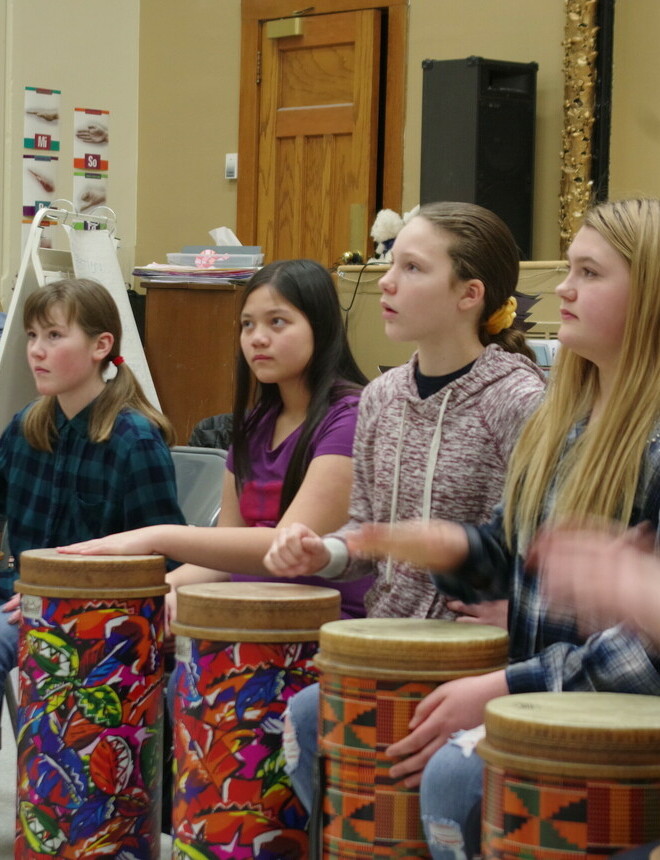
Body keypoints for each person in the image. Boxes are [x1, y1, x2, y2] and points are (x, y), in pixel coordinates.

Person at [345, 197, 660, 859]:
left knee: (456, 775)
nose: (564, 288)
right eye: (568, 268)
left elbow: (644, 659)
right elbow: (513, 552)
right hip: (545, 690)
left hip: (611, 721)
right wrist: (455, 545)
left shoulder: (646, 440)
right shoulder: (565, 421)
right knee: (326, 713)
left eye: (591, 274)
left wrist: (507, 686)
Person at [263, 201, 547, 811]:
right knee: (305, 716)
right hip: (385, 642)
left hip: (473, 659)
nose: (387, 281)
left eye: (413, 268)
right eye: (392, 262)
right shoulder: (383, 396)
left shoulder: (519, 399)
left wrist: (512, 611)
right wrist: (326, 549)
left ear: (469, 294)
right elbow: (366, 532)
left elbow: (526, 550)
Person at [59, 259, 371, 620]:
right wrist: (147, 593)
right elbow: (225, 559)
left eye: (277, 322)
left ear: (321, 326)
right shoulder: (256, 425)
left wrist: (157, 536)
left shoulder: (351, 417)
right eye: (247, 325)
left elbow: (286, 545)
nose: (257, 338)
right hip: (246, 613)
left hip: (324, 626)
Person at [0, 277, 185, 704]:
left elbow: (165, 562)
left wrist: (50, 593)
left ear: (100, 346)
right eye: (32, 335)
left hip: (92, 611)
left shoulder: (133, 440)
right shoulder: (27, 425)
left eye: (54, 335)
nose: (36, 350)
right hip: (24, 593)